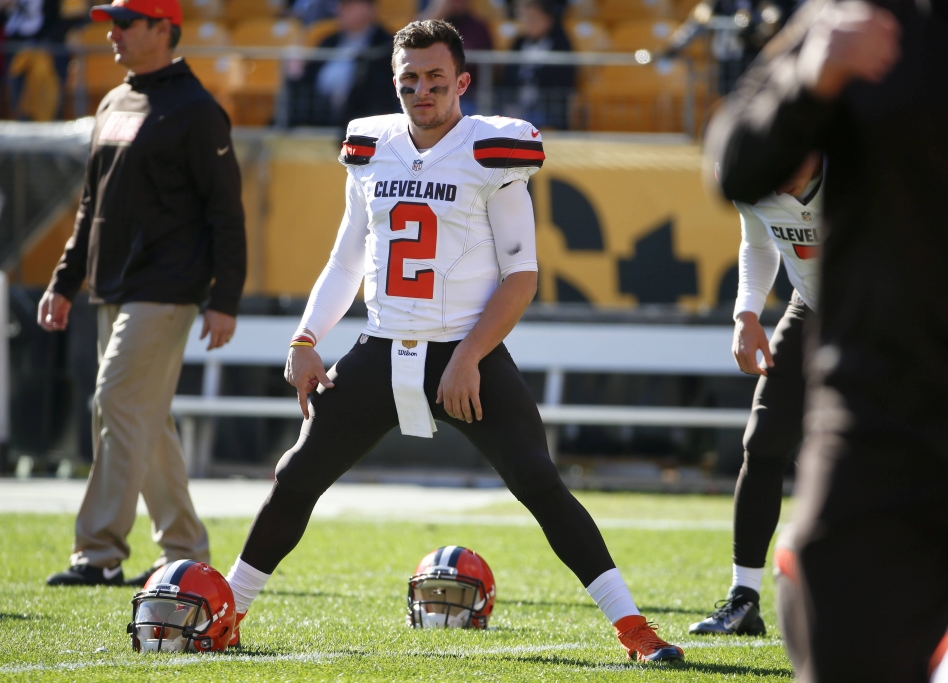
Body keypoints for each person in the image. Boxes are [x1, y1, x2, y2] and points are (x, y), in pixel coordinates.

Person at [223, 19, 685, 663]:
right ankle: (229, 613)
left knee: (539, 483)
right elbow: (347, 257)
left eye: (436, 78)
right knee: (295, 476)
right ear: (394, 81)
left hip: (465, 350)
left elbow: (521, 278)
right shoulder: (370, 144)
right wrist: (307, 336)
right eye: (409, 79)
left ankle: (633, 628)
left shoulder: (491, 151)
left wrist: (469, 356)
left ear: (462, 81)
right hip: (381, 345)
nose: (422, 90)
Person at [705, 0, 948, 680]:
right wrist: (811, 77)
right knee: (840, 603)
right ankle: (742, 592)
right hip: (869, 363)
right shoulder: (846, 23)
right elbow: (735, 168)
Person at [41, 0, 247, 587]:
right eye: (112, 21)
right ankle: (185, 548)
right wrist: (63, 280)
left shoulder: (197, 110)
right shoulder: (112, 102)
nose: (113, 32)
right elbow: (90, 205)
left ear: (163, 29)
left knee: (116, 401)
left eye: (126, 22)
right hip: (110, 287)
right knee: (147, 422)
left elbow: (225, 215)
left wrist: (225, 297)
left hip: (167, 287)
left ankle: (98, 552)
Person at [689, 152, 822, 637]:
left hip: (889, 314)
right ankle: (744, 599)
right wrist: (746, 312)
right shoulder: (755, 167)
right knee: (763, 442)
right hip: (812, 307)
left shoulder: (868, 157)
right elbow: (758, 241)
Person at [286, 0, 400, 129]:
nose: (339, 10)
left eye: (348, 6)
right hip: (321, 118)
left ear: (368, 9)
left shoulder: (386, 44)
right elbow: (308, 80)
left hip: (365, 122)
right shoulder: (328, 41)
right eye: (340, 6)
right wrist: (297, 74)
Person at [501, 0, 575, 130]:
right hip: (517, 105)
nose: (528, 23)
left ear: (548, 19)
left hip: (546, 110)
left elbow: (562, 82)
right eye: (525, 18)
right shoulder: (519, 43)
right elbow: (508, 76)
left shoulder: (561, 44)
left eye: (534, 19)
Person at [419, 0, 492, 113]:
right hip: (428, 91)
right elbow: (414, 46)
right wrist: (435, 15)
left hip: (467, 95)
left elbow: (479, 68)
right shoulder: (433, 24)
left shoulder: (478, 27)